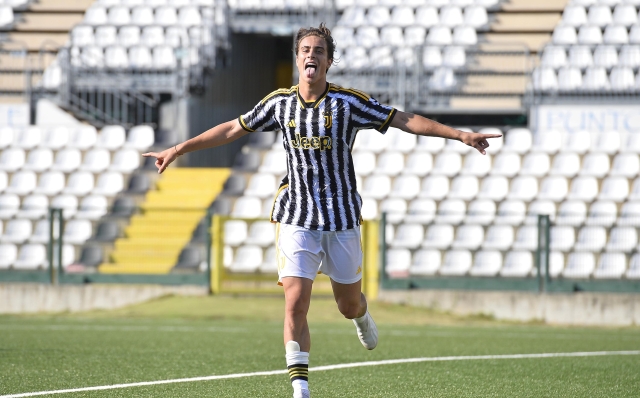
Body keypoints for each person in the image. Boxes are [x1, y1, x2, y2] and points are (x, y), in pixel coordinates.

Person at [143, 23, 501, 398]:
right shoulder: (279, 103)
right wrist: (178, 149)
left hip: (342, 219)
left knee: (346, 304)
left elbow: (403, 120)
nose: (311, 55)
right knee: (295, 301)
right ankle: (301, 389)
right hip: (296, 217)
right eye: (305, 50)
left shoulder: (348, 103)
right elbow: (233, 129)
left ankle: (360, 314)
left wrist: (460, 134)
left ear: (329, 61)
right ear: (297, 59)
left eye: (319, 50)